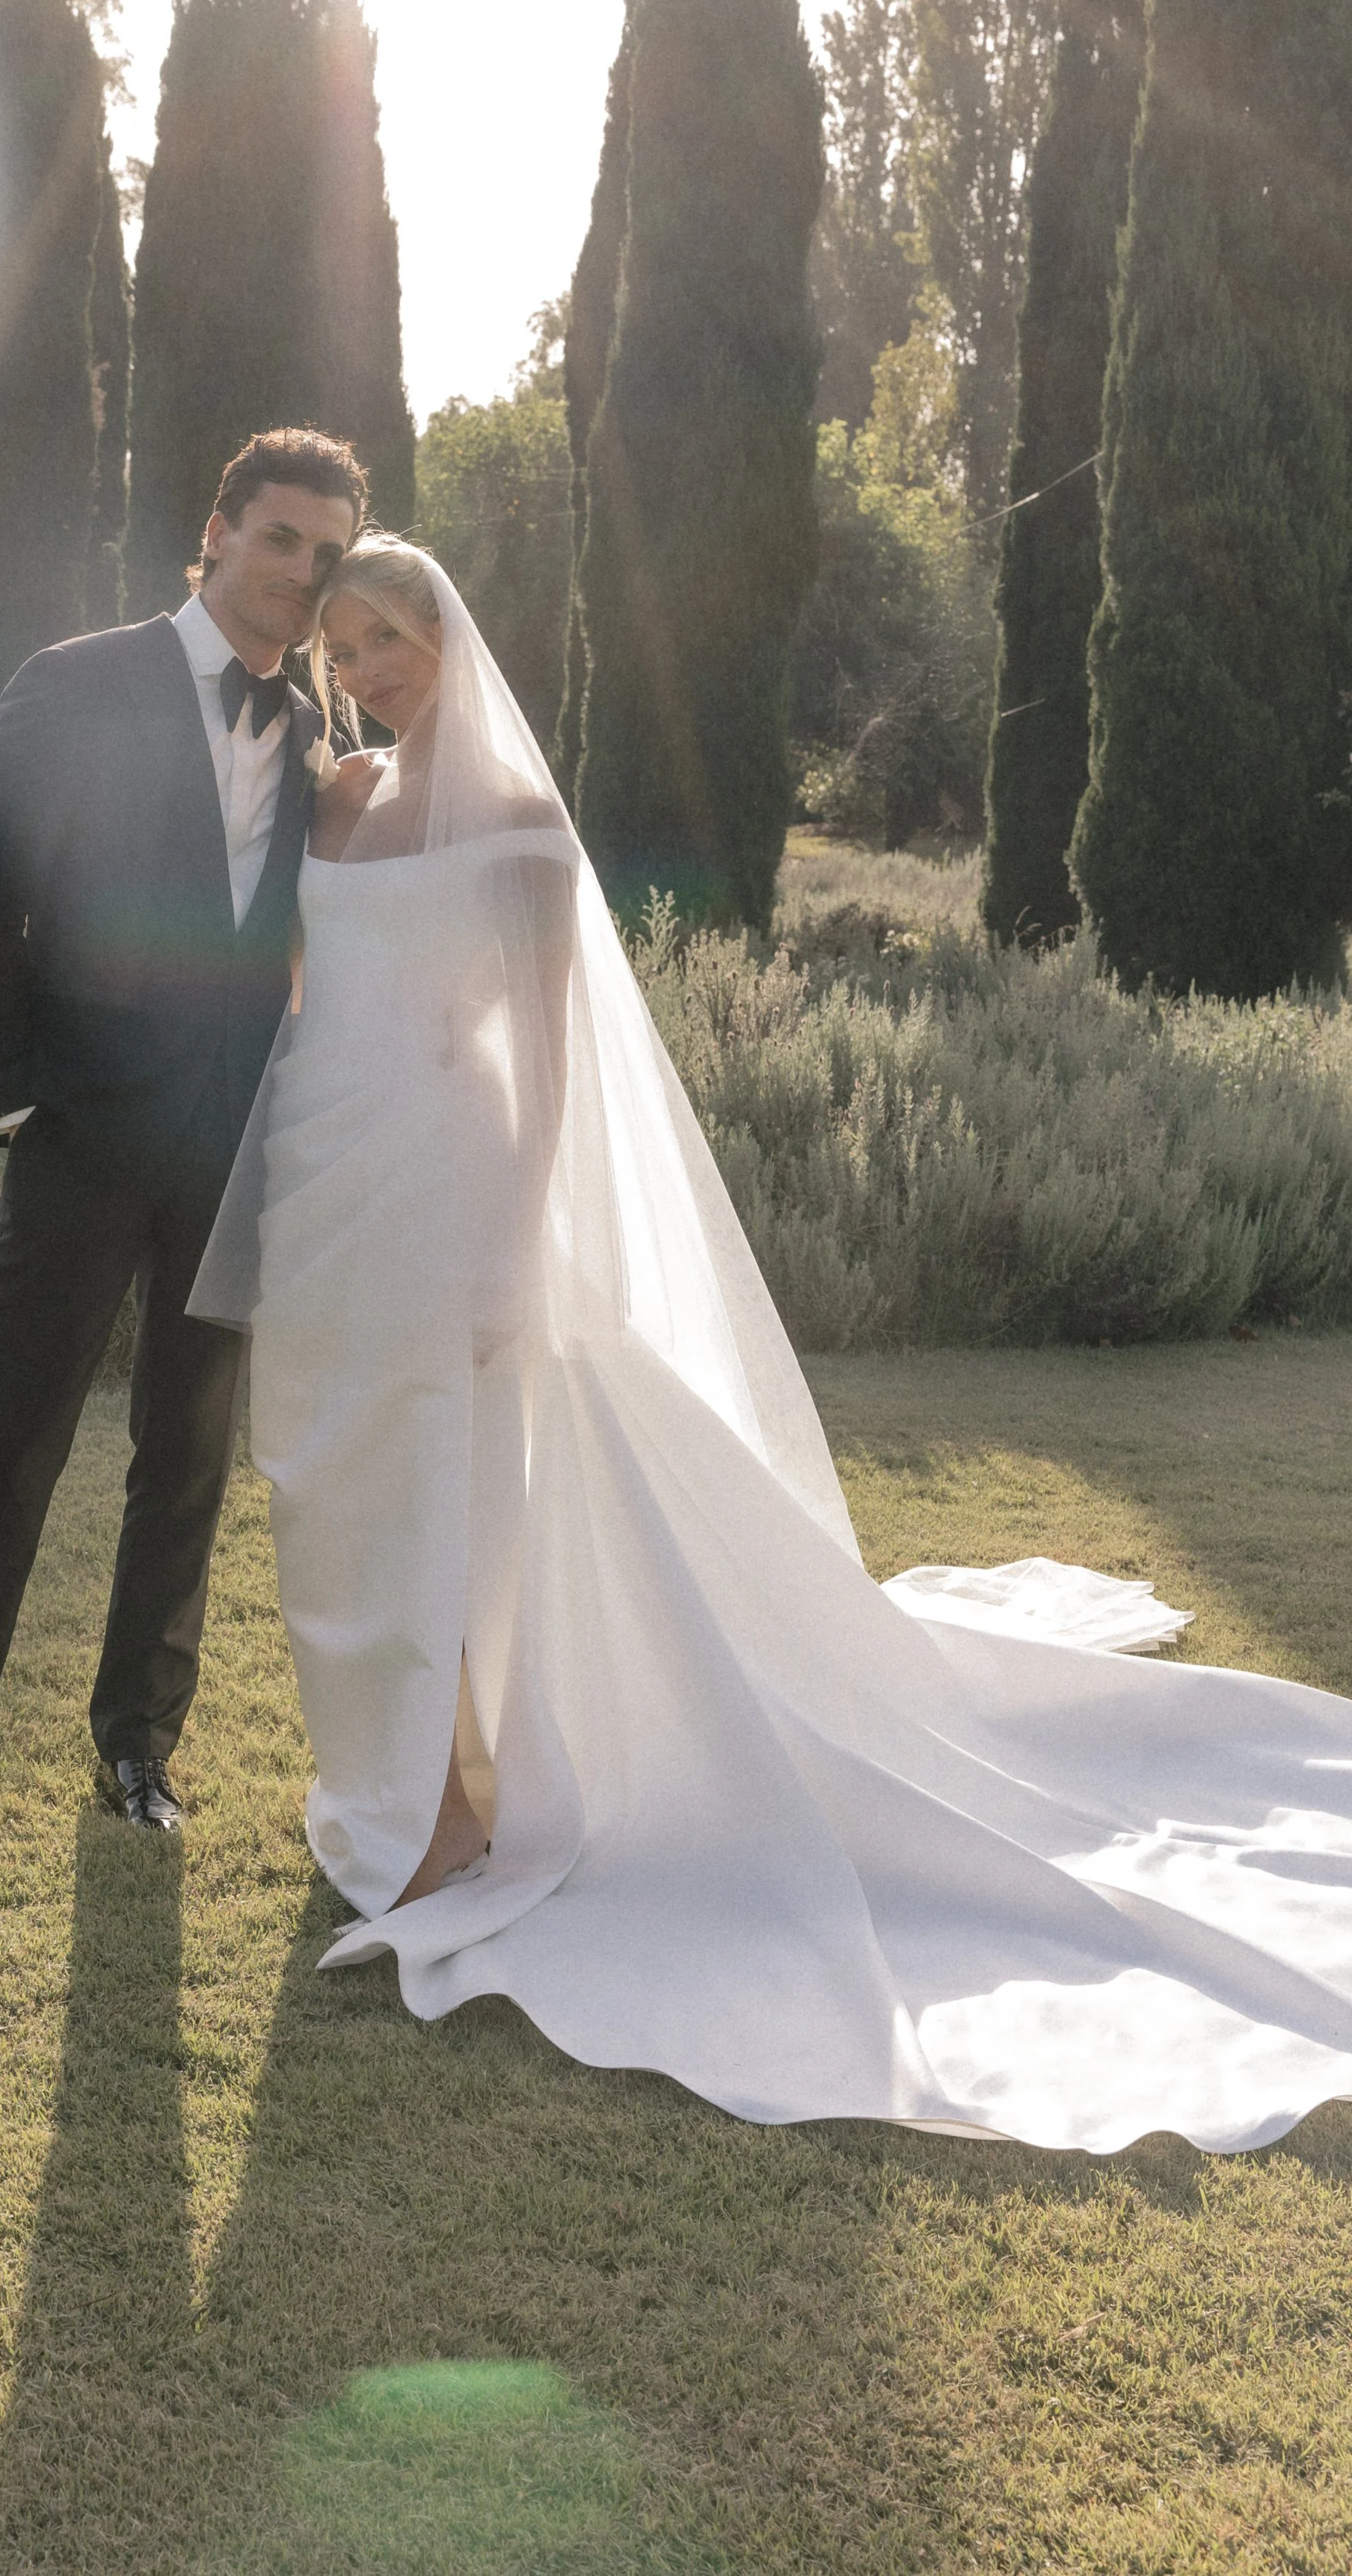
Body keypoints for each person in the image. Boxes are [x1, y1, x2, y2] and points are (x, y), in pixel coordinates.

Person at [189, 536, 1352, 2156]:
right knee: (337, 1487)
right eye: (346, 644)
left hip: (451, 1189)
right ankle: (390, 1778)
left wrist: (516, 1249)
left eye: (391, 637)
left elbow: (552, 1066)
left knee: (456, 1495)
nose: (367, 666)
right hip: (329, 1183)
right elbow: (293, 991)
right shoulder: (329, 800)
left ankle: (453, 1807)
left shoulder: (519, 827)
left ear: (449, 641)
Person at [0, 429, 363, 1864]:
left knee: (183, 1459)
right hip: (80, 1140)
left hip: (235, 1151)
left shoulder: (317, 737)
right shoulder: (70, 681)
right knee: (10, 1449)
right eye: (284, 538)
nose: (303, 575)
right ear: (220, 529)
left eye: (327, 555)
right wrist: (14, 1095)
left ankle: (138, 1750)